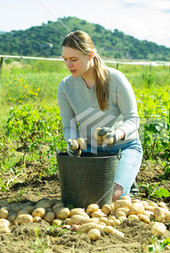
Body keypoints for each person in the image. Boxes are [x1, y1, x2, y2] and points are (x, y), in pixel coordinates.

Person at [57, 30, 142, 201]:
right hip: (91, 151)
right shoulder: (66, 86)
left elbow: (133, 119)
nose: (68, 64)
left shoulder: (116, 79)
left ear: (90, 55)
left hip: (124, 147)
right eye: (65, 59)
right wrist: (73, 142)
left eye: (74, 59)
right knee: (83, 197)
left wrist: (115, 135)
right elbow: (68, 125)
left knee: (110, 198)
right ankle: (119, 178)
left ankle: (123, 178)